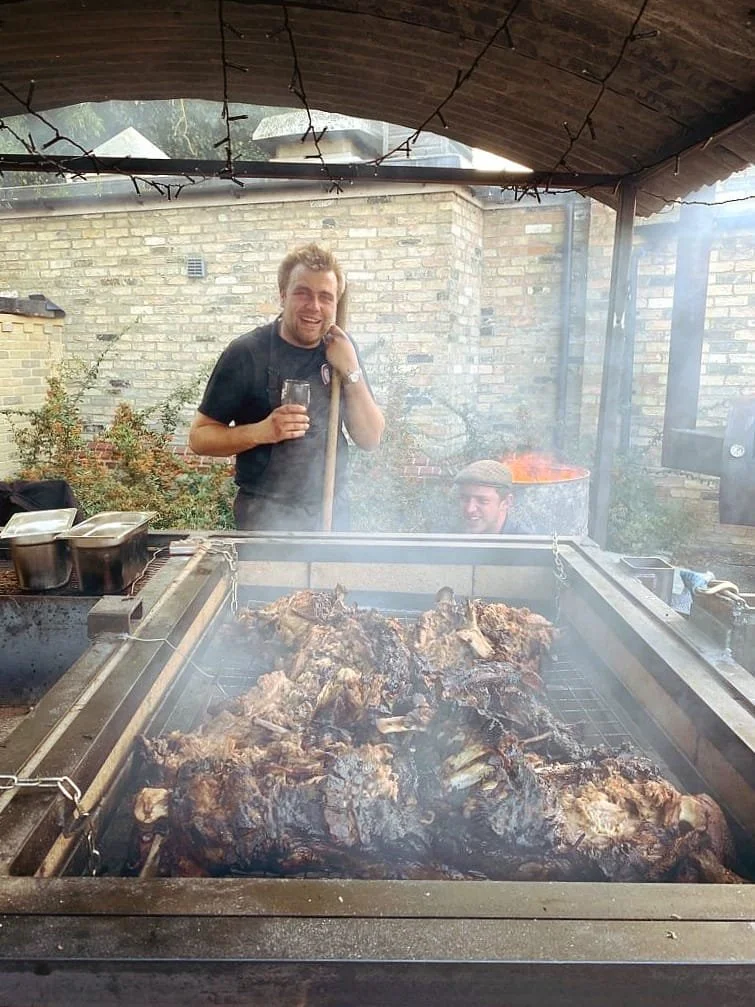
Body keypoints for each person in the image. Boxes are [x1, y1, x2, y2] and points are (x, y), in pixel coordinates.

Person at [189, 244, 384, 531]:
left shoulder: (342, 348)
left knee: (332, 579)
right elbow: (199, 438)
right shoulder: (247, 353)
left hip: (330, 514)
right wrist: (261, 431)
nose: (314, 306)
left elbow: (370, 439)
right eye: (302, 292)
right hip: (264, 516)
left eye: (325, 297)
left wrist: (351, 370)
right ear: (283, 295)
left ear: (336, 303)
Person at [453, 459, 521, 534]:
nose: (470, 509)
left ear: (506, 502)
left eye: (483, 501)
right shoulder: (449, 536)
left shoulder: (525, 543)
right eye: (465, 499)